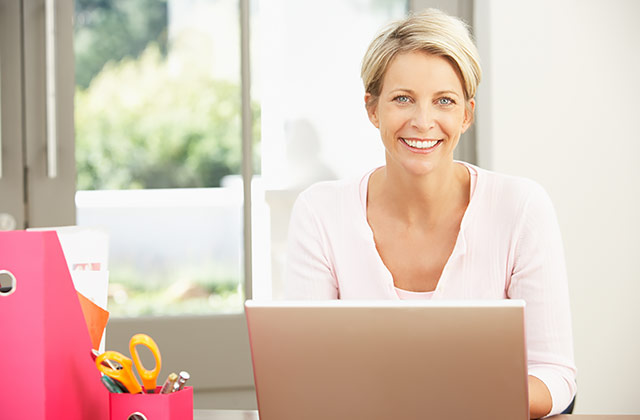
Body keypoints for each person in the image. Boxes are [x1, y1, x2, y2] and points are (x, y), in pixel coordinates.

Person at [284, 8, 577, 419]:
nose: (423, 122)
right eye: (403, 98)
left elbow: (554, 375)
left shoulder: (522, 208)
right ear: (373, 109)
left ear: (466, 114)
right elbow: (304, 374)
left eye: (444, 101)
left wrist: (451, 397)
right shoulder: (320, 213)